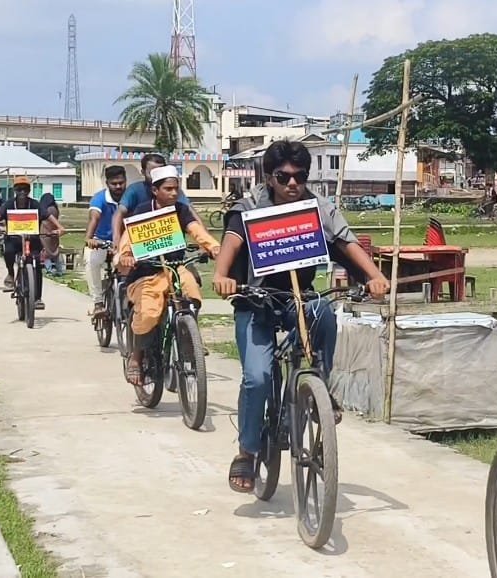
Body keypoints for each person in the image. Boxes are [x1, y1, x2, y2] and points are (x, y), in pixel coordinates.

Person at [211, 139, 391, 493]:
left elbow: (347, 243)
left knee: (323, 311)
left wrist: (375, 277)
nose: (293, 183)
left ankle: (319, 383)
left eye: (300, 176)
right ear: (269, 177)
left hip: (299, 298)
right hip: (256, 300)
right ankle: (247, 451)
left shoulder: (319, 208)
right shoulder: (249, 207)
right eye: (284, 177)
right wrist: (221, 276)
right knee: (257, 378)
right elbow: (231, 243)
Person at [117, 166, 220, 386]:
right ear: (155, 191)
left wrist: (213, 247)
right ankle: (136, 357)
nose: (174, 193)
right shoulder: (142, 211)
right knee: (148, 313)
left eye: (176, 188)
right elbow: (127, 240)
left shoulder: (181, 210)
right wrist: (125, 256)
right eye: (168, 189)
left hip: (174, 269)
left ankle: (188, 336)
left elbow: (196, 230)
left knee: (192, 291)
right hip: (146, 274)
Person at [0, 176, 65, 303]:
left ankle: (38, 298)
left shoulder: (34, 204)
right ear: (15, 191)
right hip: (13, 239)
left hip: (32, 239)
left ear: (29, 191)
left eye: (25, 189)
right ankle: (11, 273)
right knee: (8, 252)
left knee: (37, 265)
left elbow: (48, 216)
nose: (22, 192)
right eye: (19, 189)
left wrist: (60, 227)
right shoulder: (9, 204)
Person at [112, 153, 203, 243]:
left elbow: (191, 214)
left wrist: (204, 238)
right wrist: (117, 238)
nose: (157, 176)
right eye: (152, 173)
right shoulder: (134, 190)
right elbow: (119, 213)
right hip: (145, 244)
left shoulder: (174, 191)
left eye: (160, 172)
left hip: (172, 243)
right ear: (143, 172)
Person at [85, 166, 128, 316]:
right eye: (114, 183)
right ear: (107, 183)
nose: (118, 186)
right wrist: (89, 238)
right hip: (101, 240)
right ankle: (98, 302)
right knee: (91, 261)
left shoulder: (130, 196)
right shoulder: (100, 198)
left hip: (124, 240)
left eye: (121, 182)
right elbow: (94, 218)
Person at [39, 193, 65, 276]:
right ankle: (60, 270)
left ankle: (49, 269)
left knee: (46, 252)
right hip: (55, 233)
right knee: (55, 252)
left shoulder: (45, 209)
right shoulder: (55, 209)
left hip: (45, 233)